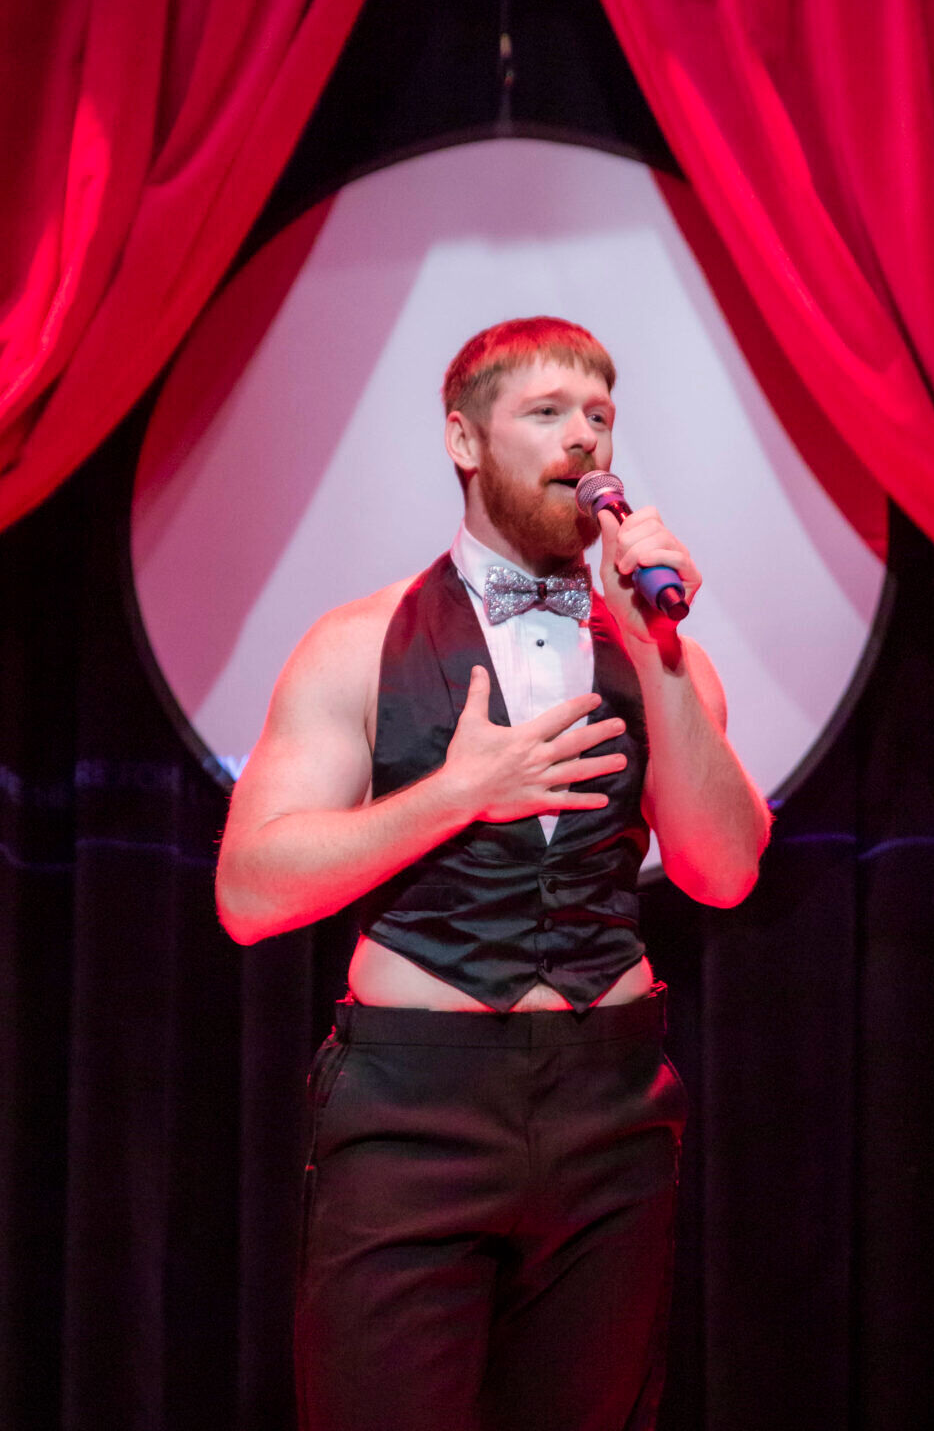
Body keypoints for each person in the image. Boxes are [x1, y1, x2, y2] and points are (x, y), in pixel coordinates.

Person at [215, 316, 771, 1431]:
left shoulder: (662, 651)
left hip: (608, 1104)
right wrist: (451, 795)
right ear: (465, 440)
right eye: (548, 412)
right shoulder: (356, 640)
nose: (583, 438)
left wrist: (656, 648)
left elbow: (720, 869)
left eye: (600, 415)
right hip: (417, 1103)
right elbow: (250, 891)